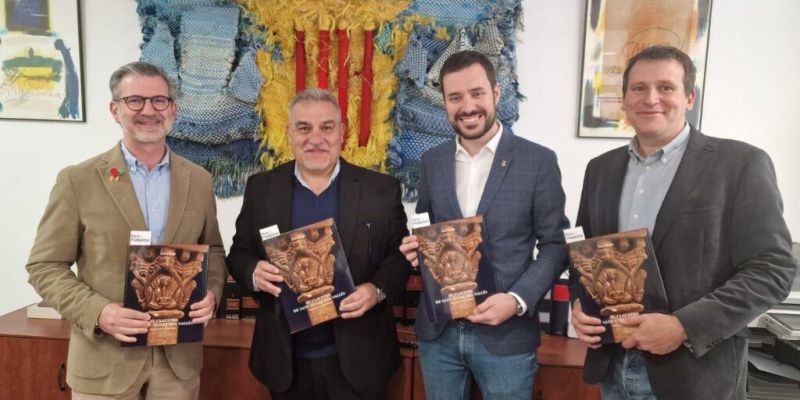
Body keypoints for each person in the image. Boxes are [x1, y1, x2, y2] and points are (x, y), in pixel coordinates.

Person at [570, 45, 796, 400]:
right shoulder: (600, 169)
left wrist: (682, 327)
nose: (651, 98)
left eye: (666, 87)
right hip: (612, 367)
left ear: (689, 97)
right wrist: (579, 305)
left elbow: (773, 269)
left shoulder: (740, 164)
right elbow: (583, 255)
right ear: (625, 101)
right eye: (639, 88)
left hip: (695, 375)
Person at [26, 61, 226, 399]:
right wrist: (98, 312)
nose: (148, 111)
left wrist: (213, 294)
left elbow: (214, 251)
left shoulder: (199, 180)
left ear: (173, 109)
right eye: (135, 100)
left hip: (178, 365)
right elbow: (44, 266)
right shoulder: (78, 180)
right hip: (105, 363)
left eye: (159, 100)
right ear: (114, 110)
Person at [398, 50, 570, 399]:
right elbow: (426, 228)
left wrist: (517, 299)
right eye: (455, 97)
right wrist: (414, 246)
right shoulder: (432, 161)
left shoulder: (538, 161)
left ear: (496, 93)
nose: (467, 106)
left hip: (507, 335)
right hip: (439, 333)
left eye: (476, 93)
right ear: (445, 103)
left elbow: (557, 245)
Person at [226, 89, 411, 400]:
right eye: (304, 128)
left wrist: (376, 290)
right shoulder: (261, 188)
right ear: (289, 133)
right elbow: (239, 252)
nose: (316, 139)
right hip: (286, 361)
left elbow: (399, 256)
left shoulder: (381, 189)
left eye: (327, 127)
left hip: (360, 360)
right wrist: (253, 272)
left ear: (342, 132)